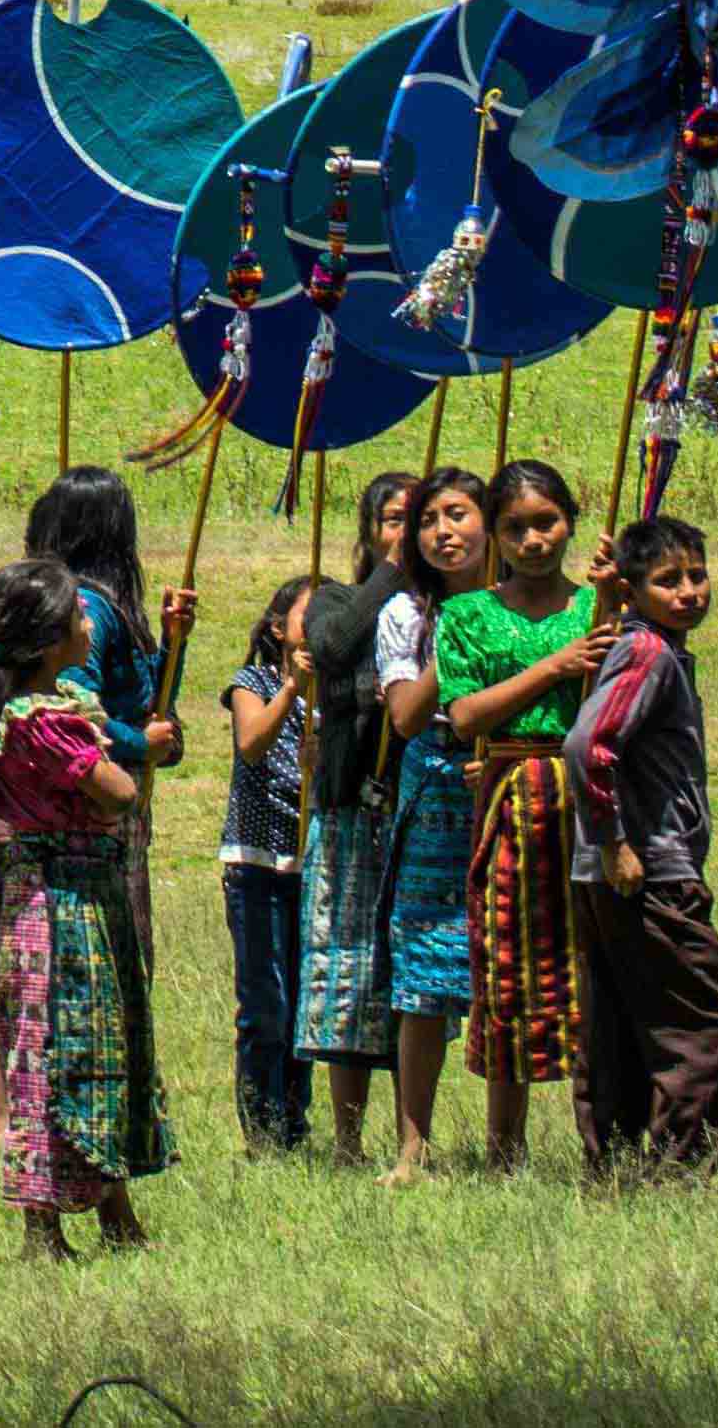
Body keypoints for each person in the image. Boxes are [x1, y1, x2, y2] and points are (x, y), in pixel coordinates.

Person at [0, 558, 161, 1257]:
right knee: (56, 1052)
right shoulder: (42, 722)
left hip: (78, 900)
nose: (90, 625)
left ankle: (114, 1216)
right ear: (50, 640)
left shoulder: (41, 711)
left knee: (96, 1049)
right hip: (60, 910)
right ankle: (44, 1227)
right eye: (79, 618)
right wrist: (123, 748)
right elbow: (116, 791)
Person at [566, 514, 718, 1179]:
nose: (690, 591)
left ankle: (610, 1165)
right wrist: (615, 841)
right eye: (668, 580)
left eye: (697, 575)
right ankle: (680, 1168)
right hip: (648, 871)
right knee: (704, 1026)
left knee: (615, 1025)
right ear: (633, 590)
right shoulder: (647, 654)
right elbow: (589, 745)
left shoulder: (653, 648)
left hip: (614, 872)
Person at [439, 459, 604, 1172]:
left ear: (572, 519)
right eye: (516, 528)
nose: (535, 540)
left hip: (591, 795)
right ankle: (505, 1149)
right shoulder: (467, 614)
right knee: (509, 961)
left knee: (592, 961)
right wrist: (554, 668)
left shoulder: (599, 606)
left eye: (547, 522)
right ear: (496, 537)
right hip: (510, 791)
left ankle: (603, 1136)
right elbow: (466, 714)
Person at [292, 471, 416, 1161]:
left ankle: (410, 1135)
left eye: (416, 518)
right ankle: (345, 1138)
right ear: (369, 529)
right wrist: (392, 571)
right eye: (393, 517)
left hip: (413, 801)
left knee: (409, 976)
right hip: (346, 805)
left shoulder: (443, 603)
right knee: (347, 970)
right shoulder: (334, 598)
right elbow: (335, 646)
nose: (407, 529)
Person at [375, 464, 494, 1183]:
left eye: (458, 515)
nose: (444, 532)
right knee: (421, 973)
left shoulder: (524, 605)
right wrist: (453, 640)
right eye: (429, 521)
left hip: (503, 785)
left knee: (505, 963)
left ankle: (505, 1144)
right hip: (431, 798)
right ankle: (412, 1147)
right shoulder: (405, 616)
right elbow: (405, 716)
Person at [23, 469, 187, 937]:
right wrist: (138, 743)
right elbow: (73, 710)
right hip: (97, 801)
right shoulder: (87, 610)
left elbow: (151, 696)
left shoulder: (108, 606)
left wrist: (175, 641)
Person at [220, 574, 319, 1153]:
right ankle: (261, 1131)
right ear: (279, 627)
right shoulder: (251, 682)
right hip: (255, 863)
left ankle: (293, 1124)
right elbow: (252, 741)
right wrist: (292, 690)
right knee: (266, 1004)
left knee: (305, 1003)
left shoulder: (336, 694)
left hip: (311, 860)